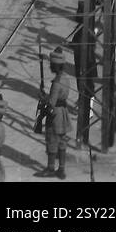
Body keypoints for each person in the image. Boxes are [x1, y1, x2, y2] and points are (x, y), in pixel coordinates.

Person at [37, 47, 70, 179]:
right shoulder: (66, 78)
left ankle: (50, 168)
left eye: (51, 64)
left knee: (51, 141)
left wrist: (42, 96)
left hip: (55, 114)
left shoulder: (56, 83)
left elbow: (51, 102)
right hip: (63, 114)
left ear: (56, 65)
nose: (50, 66)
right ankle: (61, 169)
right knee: (62, 142)